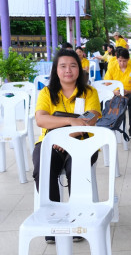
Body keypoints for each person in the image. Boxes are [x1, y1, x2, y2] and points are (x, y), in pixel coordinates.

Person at [33, 49, 101, 244]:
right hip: (50, 143)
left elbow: (91, 119)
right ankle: (52, 219)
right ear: (56, 70)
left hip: (82, 143)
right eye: (62, 66)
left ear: (79, 69)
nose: (68, 70)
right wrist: (71, 123)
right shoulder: (47, 92)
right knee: (43, 168)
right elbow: (41, 119)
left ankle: (78, 219)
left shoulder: (89, 92)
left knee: (77, 168)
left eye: (72, 66)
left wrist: (68, 135)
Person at [104, 48, 131, 138]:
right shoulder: (112, 68)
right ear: (116, 58)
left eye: (124, 61)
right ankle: (110, 123)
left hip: (128, 93)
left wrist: (128, 91)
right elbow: (106, 84)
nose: (122, 63)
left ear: (128, 59)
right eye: (120, 61)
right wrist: (114, 91)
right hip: (114, 93)